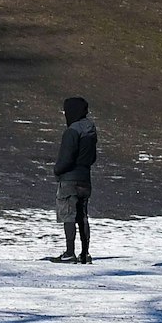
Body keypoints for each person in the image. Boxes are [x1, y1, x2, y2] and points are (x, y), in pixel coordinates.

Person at [51, 97, 99, 264]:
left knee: (69, 215)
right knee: (83, 216)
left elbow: (66, 159)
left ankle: (69, 253)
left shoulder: (72, 131)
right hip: (85, 179)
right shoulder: (91, 131)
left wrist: (56, 170)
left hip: (69, 179)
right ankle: (85, 253)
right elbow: (92, 157)